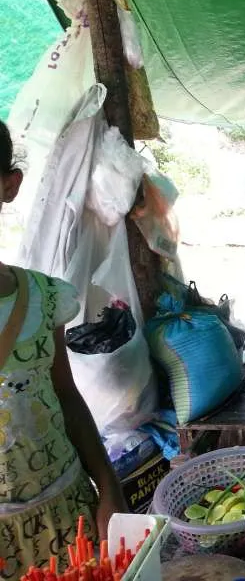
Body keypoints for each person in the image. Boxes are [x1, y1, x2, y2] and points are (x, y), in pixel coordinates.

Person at [0, 120, 127, 575]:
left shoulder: (42, 297)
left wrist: (108, 488)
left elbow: (66, 395)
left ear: (9, 186)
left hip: (65, 514)